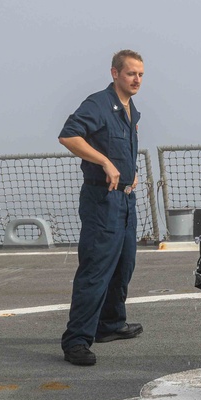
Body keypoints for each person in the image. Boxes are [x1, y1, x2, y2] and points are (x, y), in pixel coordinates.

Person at [58, 49, 145, 366]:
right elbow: (68, 136)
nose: (136, 80)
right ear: (115, 74)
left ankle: (109, 324)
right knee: (95, 271)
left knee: (124, 265)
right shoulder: (98, 103)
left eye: (140, 75)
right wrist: (105, 162)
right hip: (102, 201)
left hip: (125, 200)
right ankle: (76, 340)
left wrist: (130, 172)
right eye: (131, 74)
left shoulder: (130, 109)